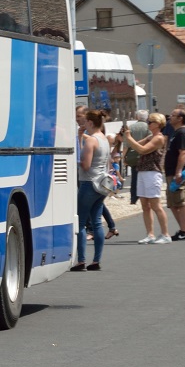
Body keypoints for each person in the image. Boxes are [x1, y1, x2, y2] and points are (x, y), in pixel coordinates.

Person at [124, 112, 172, 244]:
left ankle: (165, 234)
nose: (148, 124)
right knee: (145, 205)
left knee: (156, 205)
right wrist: (127, 138)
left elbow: (142, 150)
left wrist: (129, 138)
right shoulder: (151, 136)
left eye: (150, 122)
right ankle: (150, 234)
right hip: (142, 170)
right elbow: (135, 145)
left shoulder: (159, 138)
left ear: (158, 124)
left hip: (152, 172)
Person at [73, 110, 111, 271]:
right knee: (97, 222)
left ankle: (81, 260)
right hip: (102, 184)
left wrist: (78, 160)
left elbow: (86, 165)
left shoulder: (91, 141)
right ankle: (96, 260)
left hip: (89, 182)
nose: (83, 124)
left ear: (90, 122)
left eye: (85, 122)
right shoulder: (104, 139)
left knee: (81, 223)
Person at [164, 110, 185, 240]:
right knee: (172, 202)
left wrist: (178, 171)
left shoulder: (182, 133)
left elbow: (183, 153)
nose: (170, 117)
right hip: (170, 171)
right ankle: (182, 229)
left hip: (178, 172)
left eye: (173, 116)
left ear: (180, 118)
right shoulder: (175, 132)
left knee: (180, 200)